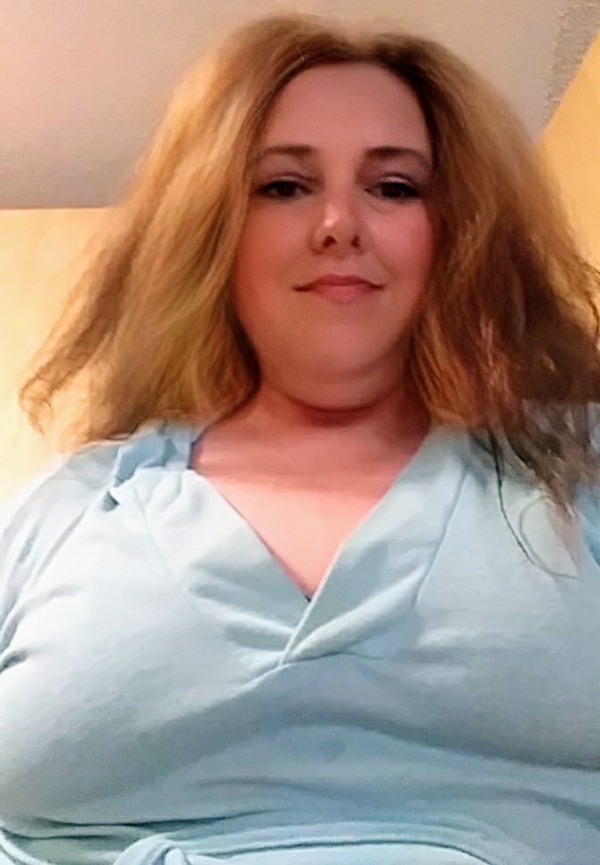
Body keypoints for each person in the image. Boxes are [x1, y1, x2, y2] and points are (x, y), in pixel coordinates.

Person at [1, 13, 600, 865]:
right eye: (283, 186)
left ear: (461, 228)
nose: (338, 223)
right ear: (213, 229)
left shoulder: (575, 471)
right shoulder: (63, 512)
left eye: (394, 187)